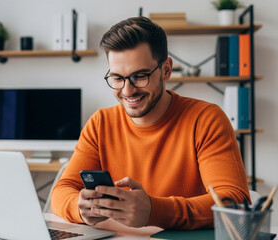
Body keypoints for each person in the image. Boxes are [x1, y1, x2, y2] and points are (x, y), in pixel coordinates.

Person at [50, 17, 249, 230]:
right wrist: (80, 208)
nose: (127, 91)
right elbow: (63, 189)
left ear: (166, 69)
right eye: (117, 78)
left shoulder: (206, 119)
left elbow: (234, 202)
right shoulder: (100, 123)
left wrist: (154, 211)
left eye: (140, 76)